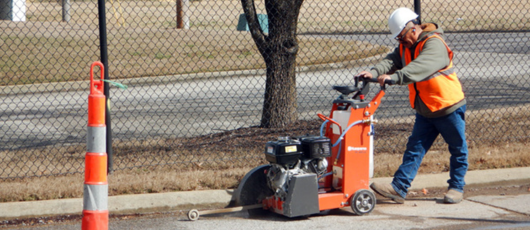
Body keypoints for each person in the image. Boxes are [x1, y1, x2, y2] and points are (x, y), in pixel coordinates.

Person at [357, 7, 468, 204]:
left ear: (413, 29)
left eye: (401, 37)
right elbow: (391, 61)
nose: (400, 42)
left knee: (457, 148)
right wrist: (373, 73)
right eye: (398, 39)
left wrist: (395, 77)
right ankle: (399, 188)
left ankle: (456, 188)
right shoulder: (405, 46)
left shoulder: (434, 44)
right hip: (425, 108)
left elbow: (420, 67)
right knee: (414, 149)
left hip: (447, 106)